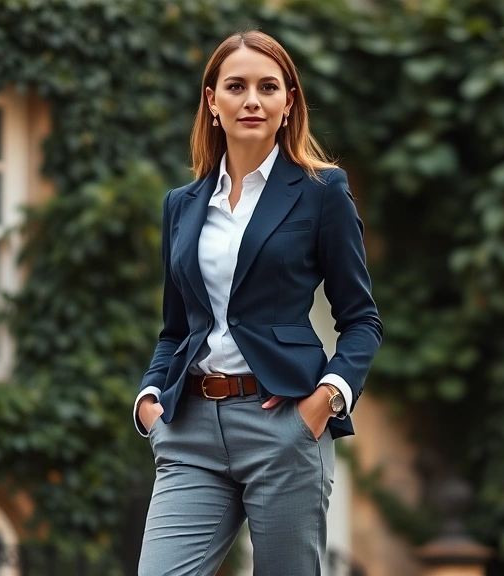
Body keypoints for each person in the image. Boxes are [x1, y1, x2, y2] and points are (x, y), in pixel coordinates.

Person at [134, 30, 382, 576]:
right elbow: (177, 328)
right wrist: (150, 400)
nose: (252, 100)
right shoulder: (182, 205)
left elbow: (361, 320)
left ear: (288, 102)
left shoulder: (322, 192)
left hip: (284, 426)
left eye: (268, 87)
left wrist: (326, 400)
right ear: (212, 101)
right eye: (236, 86)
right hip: (190, 429)